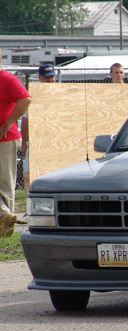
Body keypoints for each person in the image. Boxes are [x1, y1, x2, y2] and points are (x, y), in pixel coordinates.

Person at [0, 49, 32, 237]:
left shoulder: (7, 79)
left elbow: (25, 99)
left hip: (6, 138)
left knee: (5, 184)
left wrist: (9, 121)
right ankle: (5, 214)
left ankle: (6, 227)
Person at [20, 64, 56, 192]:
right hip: (37, 140)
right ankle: (29, 206)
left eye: (52, 77)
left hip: (58, 141)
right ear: (40, 77)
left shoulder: (62, 93)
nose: (50, 80)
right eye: (47, 78)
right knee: (27, 176)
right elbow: (25, 119)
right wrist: (24, 142)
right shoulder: (33, 96)